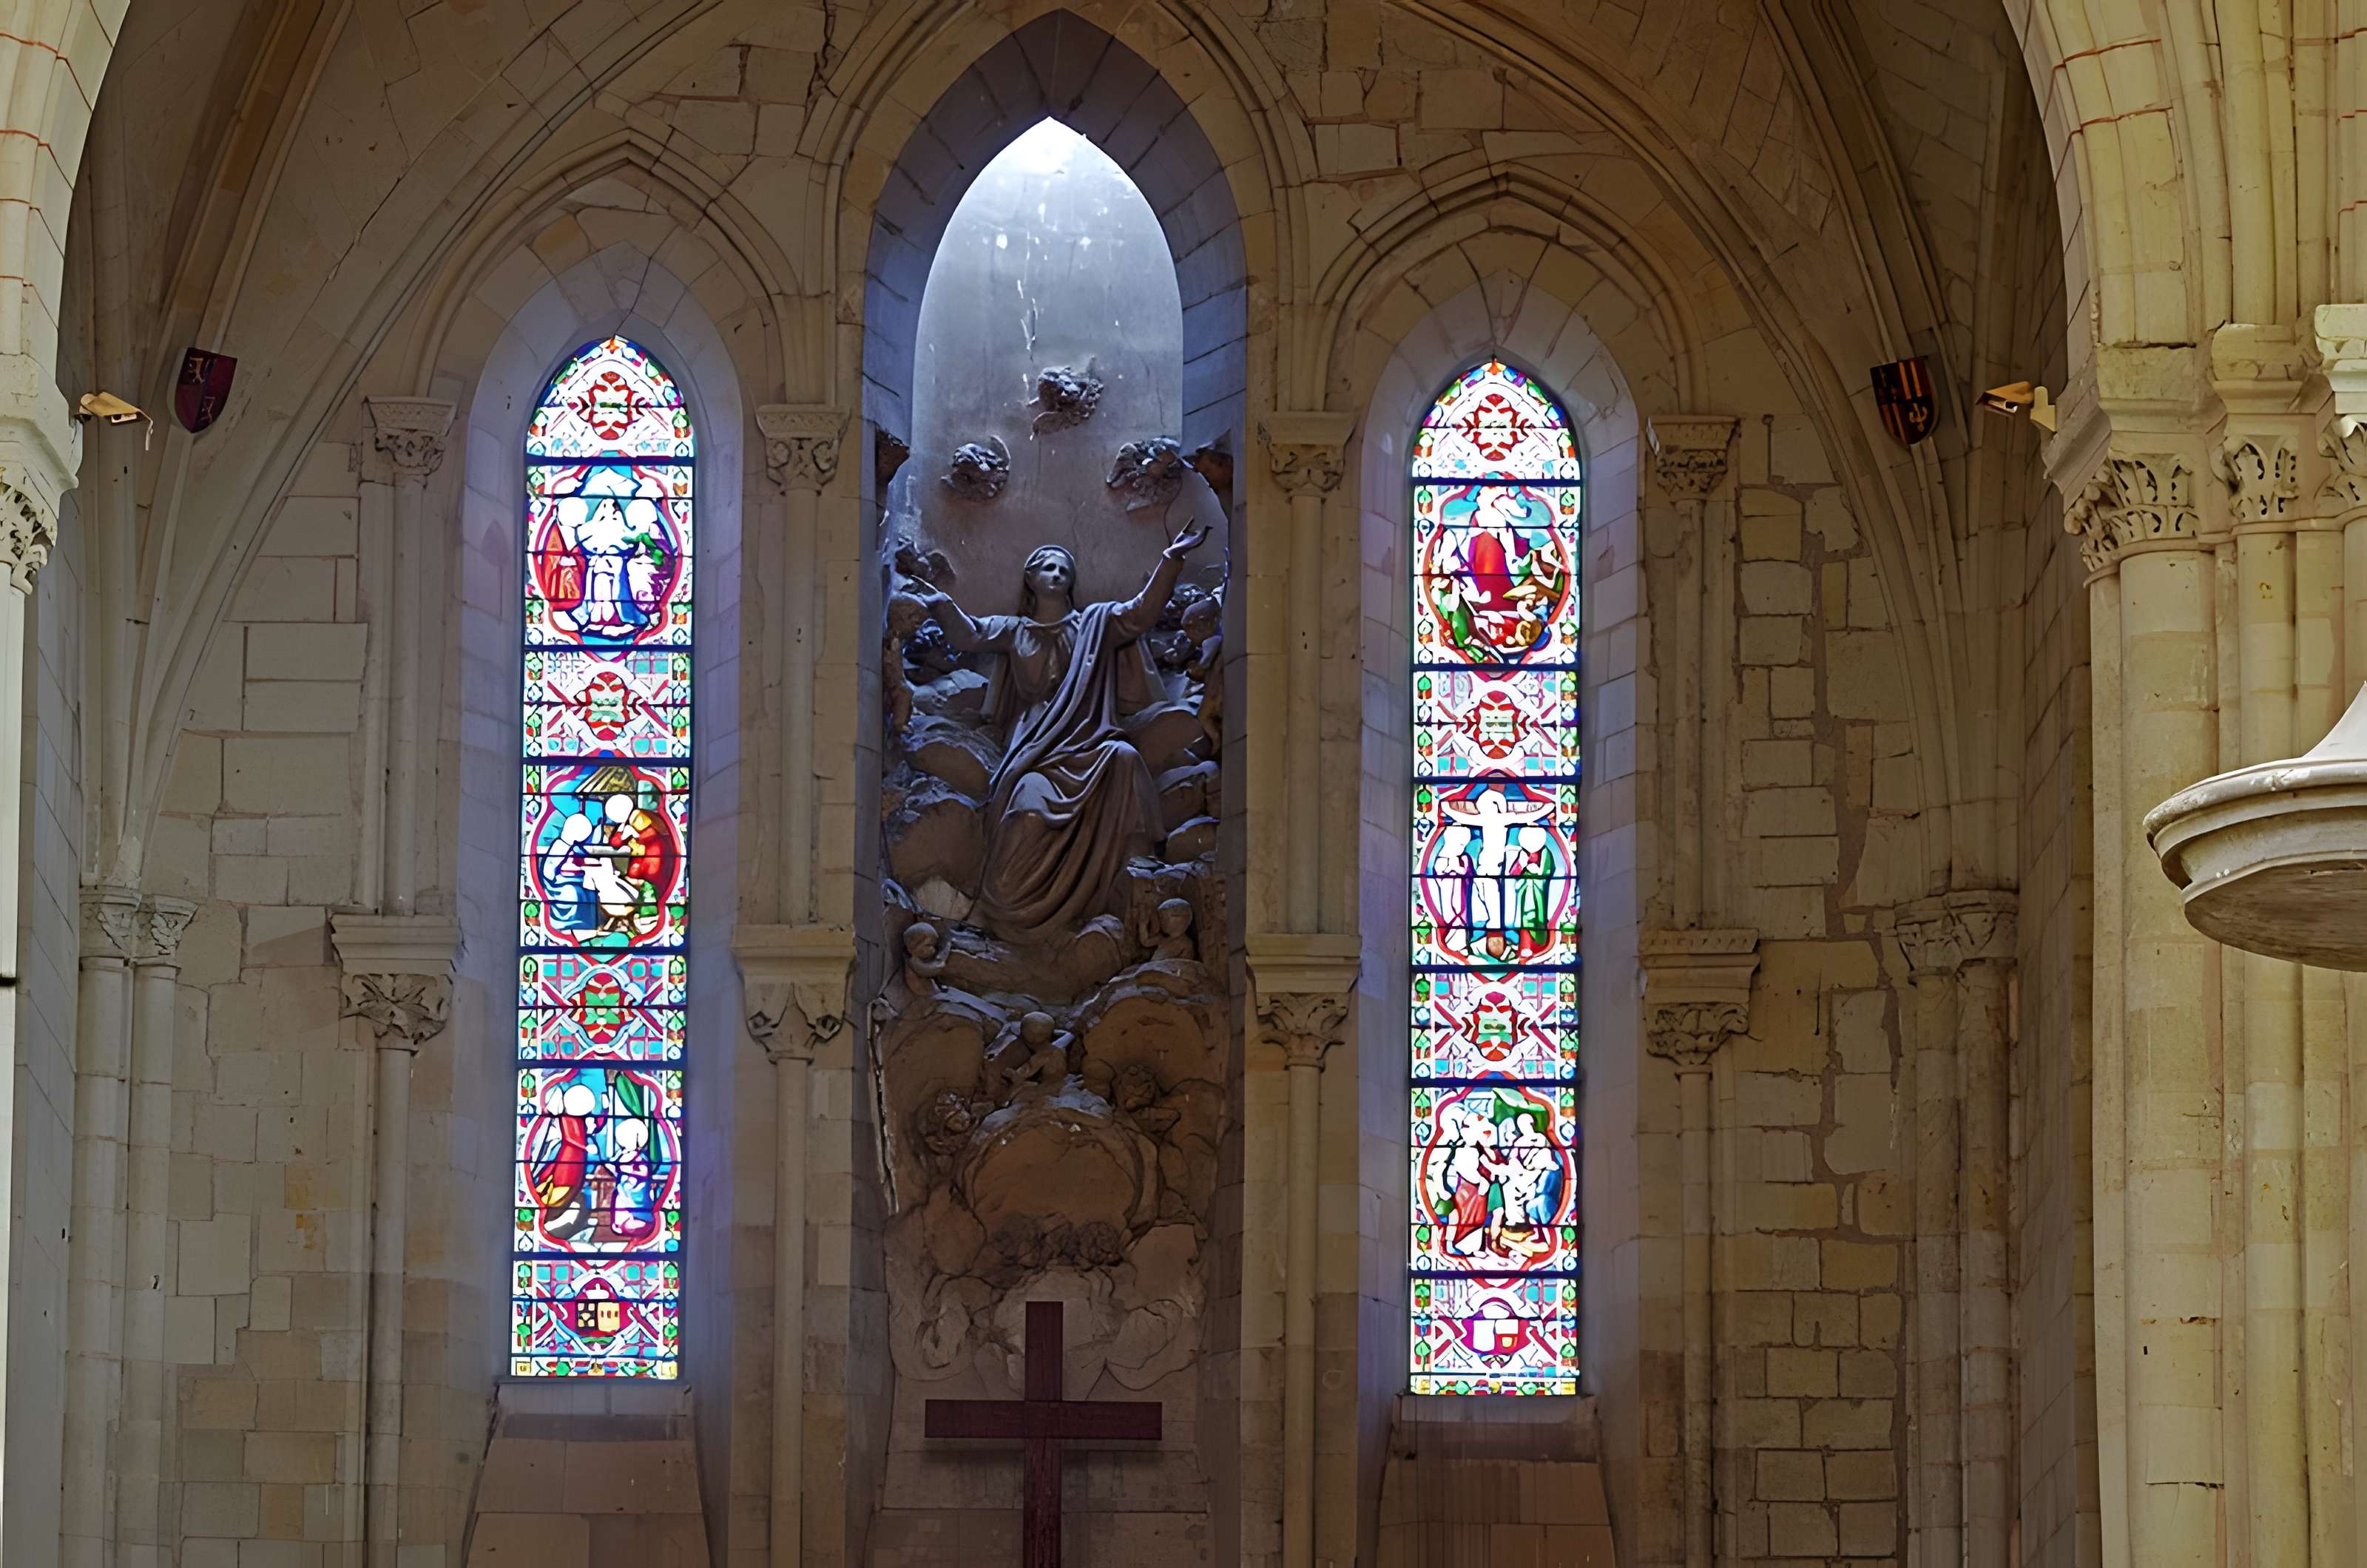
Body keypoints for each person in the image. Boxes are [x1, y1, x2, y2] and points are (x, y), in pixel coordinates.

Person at [905, 473, 1221, 942]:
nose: (1055, 573)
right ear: (1030, 579)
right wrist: (939, 605)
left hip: (1091, 741)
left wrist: (1171, 561)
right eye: (1046, 567)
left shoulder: (1096, 623)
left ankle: (1139, 875)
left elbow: (1139, 613)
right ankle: (999, 906)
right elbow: (969, 633)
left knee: (1126, 758)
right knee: (1026, 810)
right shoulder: (1014, 630)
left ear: (1071, 580)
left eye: (1062, 568)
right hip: (1037, 747)